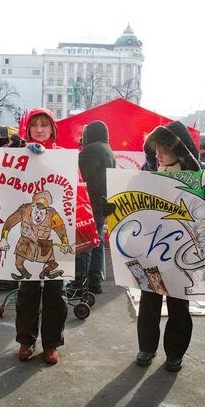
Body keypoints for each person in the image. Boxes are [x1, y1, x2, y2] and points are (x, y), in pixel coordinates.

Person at [135, 121, 199, 373]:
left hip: (183, 250)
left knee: (178, 303)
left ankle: (175, 352)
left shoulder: (200, 174)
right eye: (155, 148)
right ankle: (147, 347)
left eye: (163, 148)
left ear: (179, 149)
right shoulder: (146, 171)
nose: (157, 153)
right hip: (150, 247)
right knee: (149, 297)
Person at [9, 108, 67, 365]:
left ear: (53, 129)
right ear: (27, 129)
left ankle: (52, 343)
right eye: (35, 125)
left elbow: (72, 195)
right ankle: (26, 340)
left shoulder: (65, 157)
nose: (40, 130)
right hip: (27, 237)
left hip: (51, 240)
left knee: (56, 292)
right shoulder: (17, 157)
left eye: (45, 125)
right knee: (28, 291)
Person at [75, 120, 116, 294]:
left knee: (85, 246)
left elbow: (79, 174)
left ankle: (80, 285)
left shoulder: (91, 150)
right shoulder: (107, 149)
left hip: (89, 203)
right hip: (101, 203)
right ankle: (94, 282)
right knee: (96, 242)